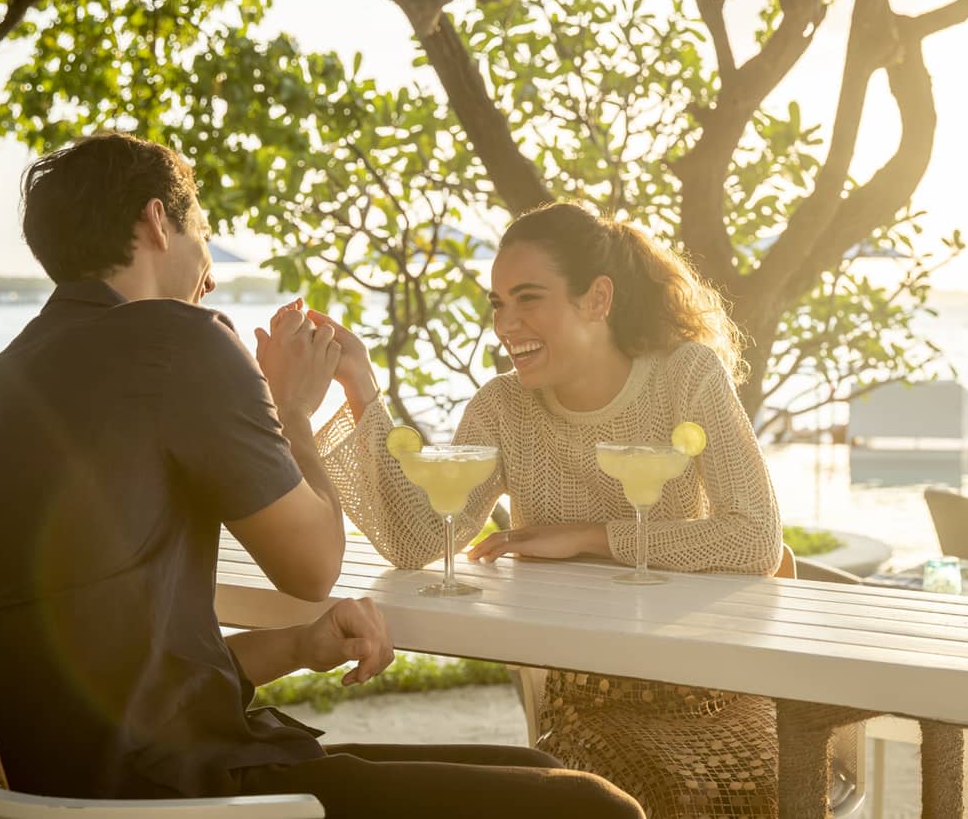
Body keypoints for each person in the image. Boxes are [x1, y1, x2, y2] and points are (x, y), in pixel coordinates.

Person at [0, 134, 640, 818]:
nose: (213, 269)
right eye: (202, 229)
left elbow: (109, 674)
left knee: (531, 767)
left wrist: (298, 646)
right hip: (176, 795)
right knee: (597, 809)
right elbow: (314, 565)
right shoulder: (183, 340)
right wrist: (292, 408)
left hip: (67, 788)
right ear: (157, 221)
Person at [308, 202, 784, 816]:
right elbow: (419, 541)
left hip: (707, 692)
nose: (506, 323)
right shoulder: (503, 407)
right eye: (497, 304)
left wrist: (588, 536)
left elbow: (755, 540)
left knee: (708, 793)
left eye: (528, 298)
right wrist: (361, 389)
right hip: (583, 703)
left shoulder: (686, 376)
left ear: (598, 299)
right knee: (604, 791)